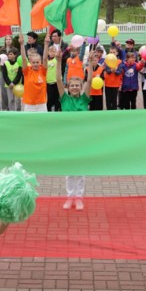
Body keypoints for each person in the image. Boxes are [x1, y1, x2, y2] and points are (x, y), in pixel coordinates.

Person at [56, 48, 93, 210]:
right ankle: (70, 197)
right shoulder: (64, 99)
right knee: (70, 170)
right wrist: (58, 61)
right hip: (67, 139)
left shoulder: (85, 99)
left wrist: (90, 64)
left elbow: (90, 81)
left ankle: (79, 198)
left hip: (83, 138)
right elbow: (57, 78)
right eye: (73, 85)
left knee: (81, 170)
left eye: (78, 85)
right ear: (68, 87)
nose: (75, 87)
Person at [19, 33, 49, 112]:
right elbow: (24, 58)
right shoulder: (27, 71)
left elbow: (45, 58)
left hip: (41, 104)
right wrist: (22, 44)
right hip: (29, 104)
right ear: (31, 62)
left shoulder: (43, 70)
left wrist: (46, 44)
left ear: (40, 62)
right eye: (34, 62)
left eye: (37, 62)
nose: (35, 64)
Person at [45, 43, 61, 112]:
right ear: (48, 52)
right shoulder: (46, 61)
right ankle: (48, 111)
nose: (52, 53)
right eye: (50, 51)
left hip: (56, 82)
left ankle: (57, 111)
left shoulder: (57, 60)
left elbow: (60, 57)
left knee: (57, 98)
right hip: (49, 82)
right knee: (50, 98)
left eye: (54, 51)